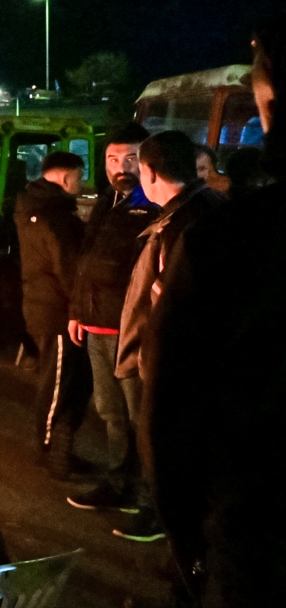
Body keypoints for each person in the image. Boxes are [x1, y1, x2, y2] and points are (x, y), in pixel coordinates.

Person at [142, 16, 286, 603]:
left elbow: (171, 405)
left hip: (261, 534)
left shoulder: (232, 238)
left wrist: (190, 541)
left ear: (269, 100)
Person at [112, 130, 226, 542]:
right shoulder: (203, 208)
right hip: (188, 362)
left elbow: (171, 307)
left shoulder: (185, 224)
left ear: (151, 171)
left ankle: (176, 536)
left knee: (168, 451)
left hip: (174, 364)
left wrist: (151, 364)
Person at [65, 122, 160, 514]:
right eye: (112, 159)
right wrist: (76, 312)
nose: (120, 166)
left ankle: (148, 497)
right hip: (96, 326)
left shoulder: (155, 204)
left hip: (131, 331)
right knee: (110, 412)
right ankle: (118, 481)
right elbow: (86, 259)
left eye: (131, 158)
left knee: (142, 418)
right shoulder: (109, 199)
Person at [14, 151, 88, 478]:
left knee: (61, 379)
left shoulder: (33, 206)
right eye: (79, 178)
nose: (81, 185)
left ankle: (58, 448)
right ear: (67, 177)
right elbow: (67, 267)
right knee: (56, 382)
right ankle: (46, 447)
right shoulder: (54, 215)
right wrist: (80, 307)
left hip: (42, 304)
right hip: (55, 310)